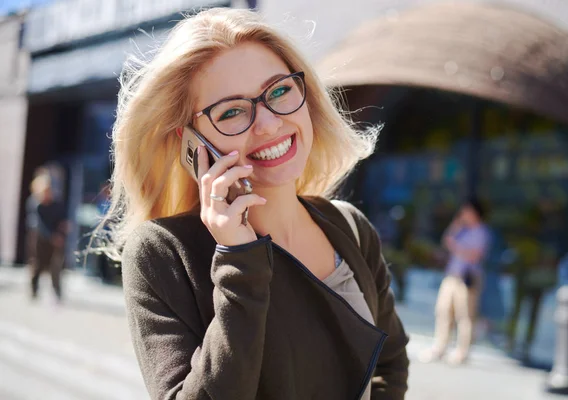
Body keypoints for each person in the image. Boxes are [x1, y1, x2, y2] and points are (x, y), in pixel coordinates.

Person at [99, 8, 409, 400]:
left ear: (306, 95)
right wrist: (238, 258)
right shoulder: (162, 252)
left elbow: (391, 364)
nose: (267, 123)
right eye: (231, 112)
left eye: (279, 91)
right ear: (192, 143)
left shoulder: (351, 228)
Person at [419, 197, 490, 365]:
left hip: (467, 278)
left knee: (464, 316)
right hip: (452, 276)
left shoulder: (481, 232)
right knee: (443, 311)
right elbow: (447, 240)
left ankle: (462, 351)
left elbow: (475, 255)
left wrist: (457, 247)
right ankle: (440, 347)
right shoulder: (462, 230)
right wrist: (457, 224)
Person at [27, 172, 69, 302]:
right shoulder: (35, 204)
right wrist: (52, 236)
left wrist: (63, 229)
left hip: (56, 240)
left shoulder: (57, 204)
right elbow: (39, 225)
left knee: (56, 266)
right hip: (39, 239)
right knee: (37, 264)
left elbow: (62, 219)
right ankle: (34, 291)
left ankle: (57, 293)